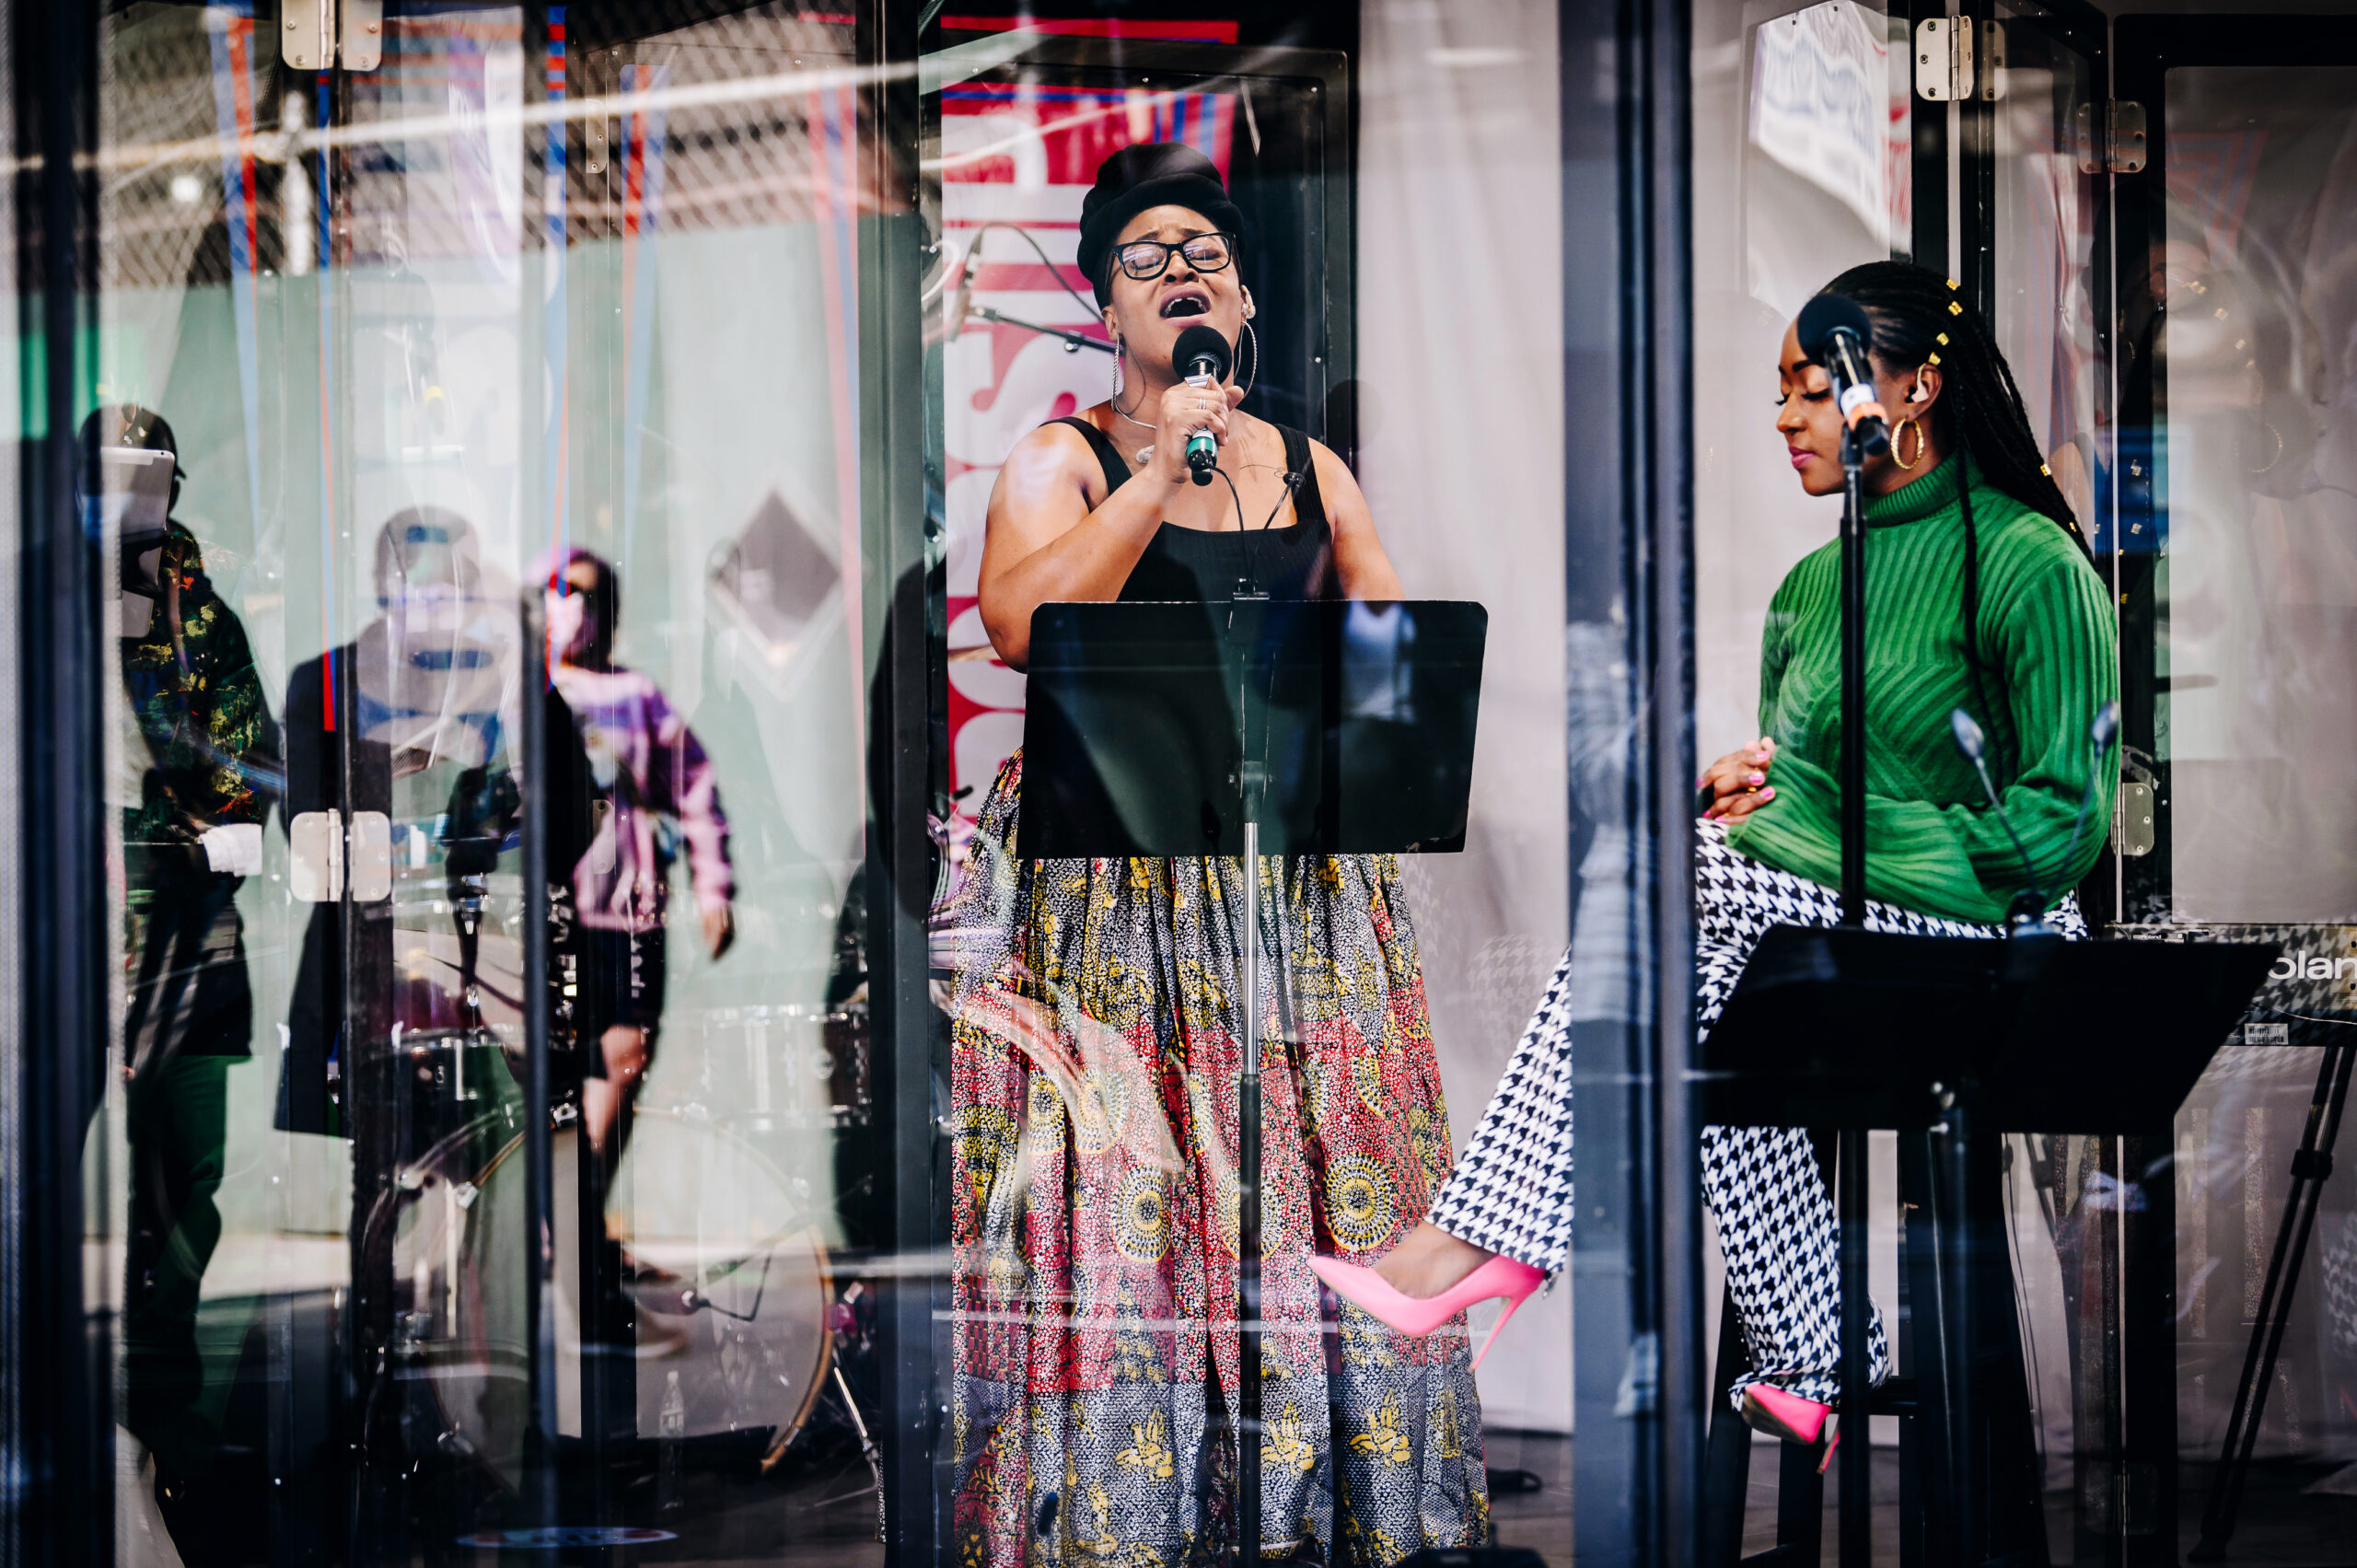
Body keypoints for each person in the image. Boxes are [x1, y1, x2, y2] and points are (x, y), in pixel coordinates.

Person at [1310, 261, 2120, 1466]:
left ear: (1917, 389)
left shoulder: (2029, 562)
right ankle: (1813, 1350)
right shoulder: (1810, 588)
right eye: (1778, 390)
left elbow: (2062, 825)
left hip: (1999, 947)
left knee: (1671, 886)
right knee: (1697, 990)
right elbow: (1794, 810)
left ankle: (1481, 1240)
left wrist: (1806, 820)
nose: (1783, 417)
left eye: (1811, 389)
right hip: (1845, 942)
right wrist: (1741, 789)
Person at [936, 143, 1492, 1568]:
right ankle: (1139, 1511)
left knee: (1316, 1169)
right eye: (1148, 258)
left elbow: (1391, 655)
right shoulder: (1063, 457)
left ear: (1243, 301)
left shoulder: (1308, 465)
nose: (1183, 273)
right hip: (1121, 876)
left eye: (1207, 256)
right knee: (1145, 1188)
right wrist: (1159, 468)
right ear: (1105, 307)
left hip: (1290, 877)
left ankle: (1325, 1495)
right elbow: (1019, 625)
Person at [94, 405, 280, 1503]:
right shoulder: (33, 608)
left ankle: (158, 1414)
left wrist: (221, 820)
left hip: (186, 930)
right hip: (70, 934)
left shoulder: (199, 613)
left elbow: (249, 761)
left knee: (181, 1183)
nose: (130, 501)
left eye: (146, 478)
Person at [539, 546, 736, 1159]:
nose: (571, 608)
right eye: (558, 591)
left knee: (623, 1054)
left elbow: (695, 790)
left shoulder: (636, 695)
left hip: (623, 913)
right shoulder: (524, 694)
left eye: (585, 596)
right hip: (541, 911)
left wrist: (713, 888)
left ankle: (591, 1189)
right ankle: (560, 1195)